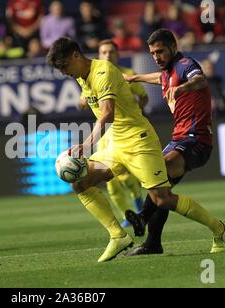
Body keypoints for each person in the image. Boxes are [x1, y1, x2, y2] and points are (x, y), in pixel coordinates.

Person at [47, 37, 225, 262]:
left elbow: (107, 113)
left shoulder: (102, 71)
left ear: (76, 55)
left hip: (139, 141)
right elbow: (161, 79)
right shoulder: (82, 77)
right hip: (115, 144)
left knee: (162, 199)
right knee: (80, 182)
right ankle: (118, 235)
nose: (64, 72)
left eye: (64, 66)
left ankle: (218, 228)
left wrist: (87, 144)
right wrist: (134, 78)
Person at [123, 29, 225, 256]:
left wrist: (182, 87)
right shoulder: (168, 72)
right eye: (152, 53)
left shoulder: (184, 64)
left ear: (173, 45)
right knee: (161, 191)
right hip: (178, 139)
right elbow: (158, 78)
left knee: (158, 171)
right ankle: (153, 243)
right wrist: (134, 78)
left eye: (160, 51)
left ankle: (142, 218)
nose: (156, 57)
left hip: (197, 140)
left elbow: (199, 80)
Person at [79, 39, 147, 229]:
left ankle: (137, 198)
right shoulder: (91, 76)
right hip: (105, 133)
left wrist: (135, 112)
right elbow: (82, 100)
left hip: (126, 129)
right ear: (99, 56)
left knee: (125, 174)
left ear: (117, 55)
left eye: (111, 52)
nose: (108, 55)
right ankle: (127, 215)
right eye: (104, 52)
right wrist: (84, 102)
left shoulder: (128, 75)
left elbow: (144, 97)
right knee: (109, 180)